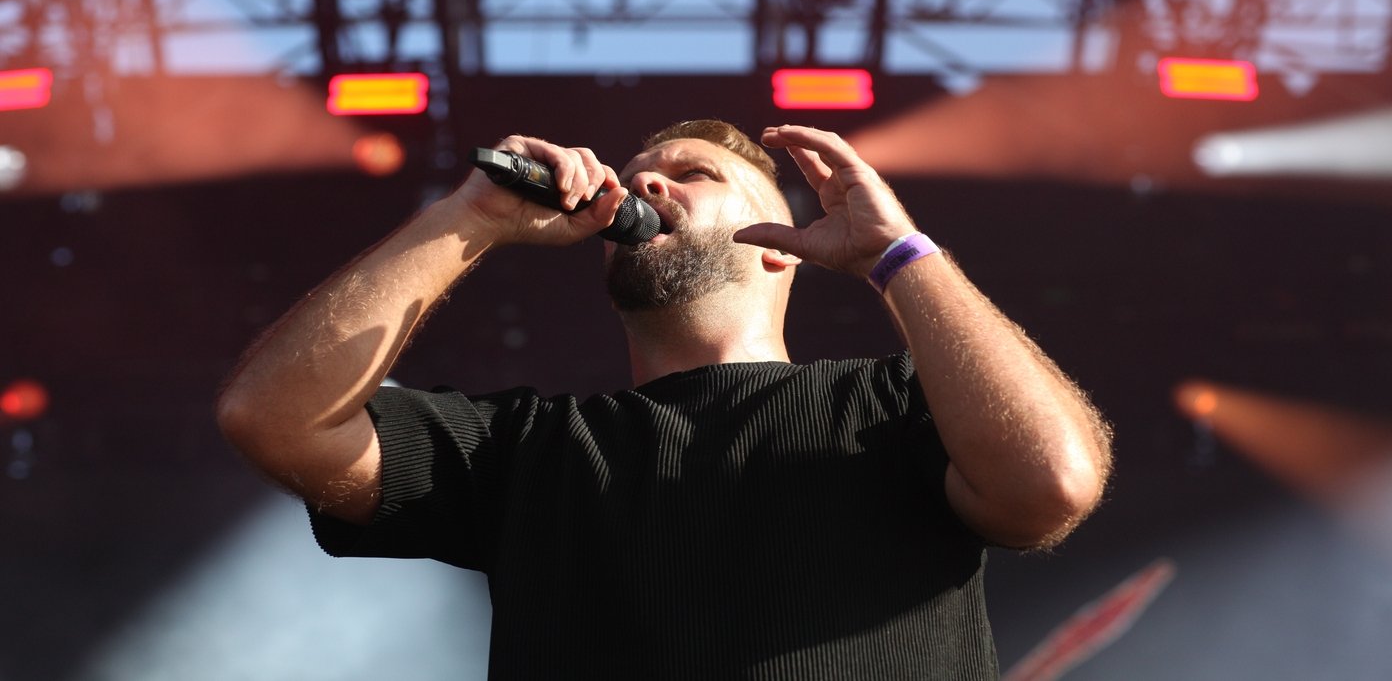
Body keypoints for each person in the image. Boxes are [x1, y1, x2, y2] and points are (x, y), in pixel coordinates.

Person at [217, 120, 1112, 680]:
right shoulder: (525, 452)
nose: (643, 183)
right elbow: (274, 420)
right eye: (637, 172)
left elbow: (1053, 483)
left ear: (783, 245)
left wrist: (898, 255)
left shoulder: (895, 405)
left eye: (695, 173)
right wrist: (470, 219)